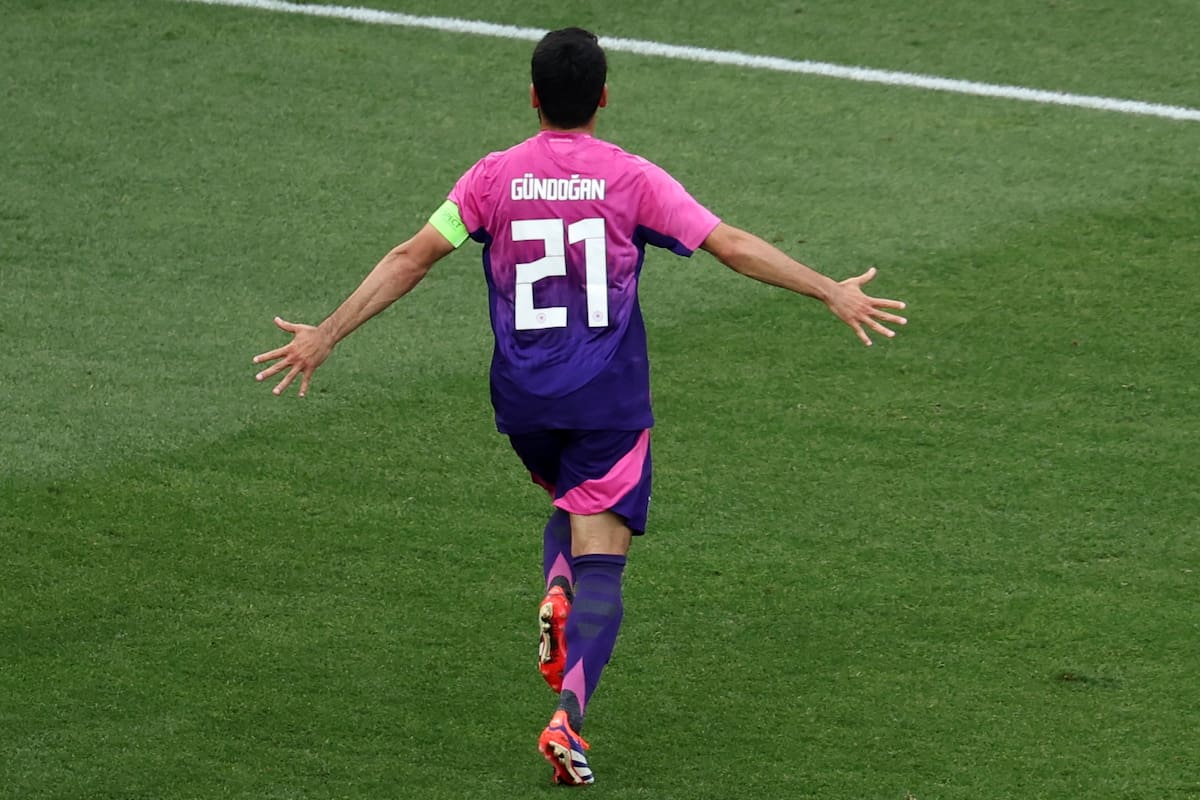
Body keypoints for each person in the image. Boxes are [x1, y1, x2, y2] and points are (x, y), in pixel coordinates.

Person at [252, 26, 907, 786]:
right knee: (607, 558)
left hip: (523, 404)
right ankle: (570, 711)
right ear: (602, 97)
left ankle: (556, 588)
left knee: (568, 502)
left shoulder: (491, 179)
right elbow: (727, 243)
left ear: (533, 96)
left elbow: (413, 256)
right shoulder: (631, 179)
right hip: (606, 401)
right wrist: (830, 289)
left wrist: (326, 335)